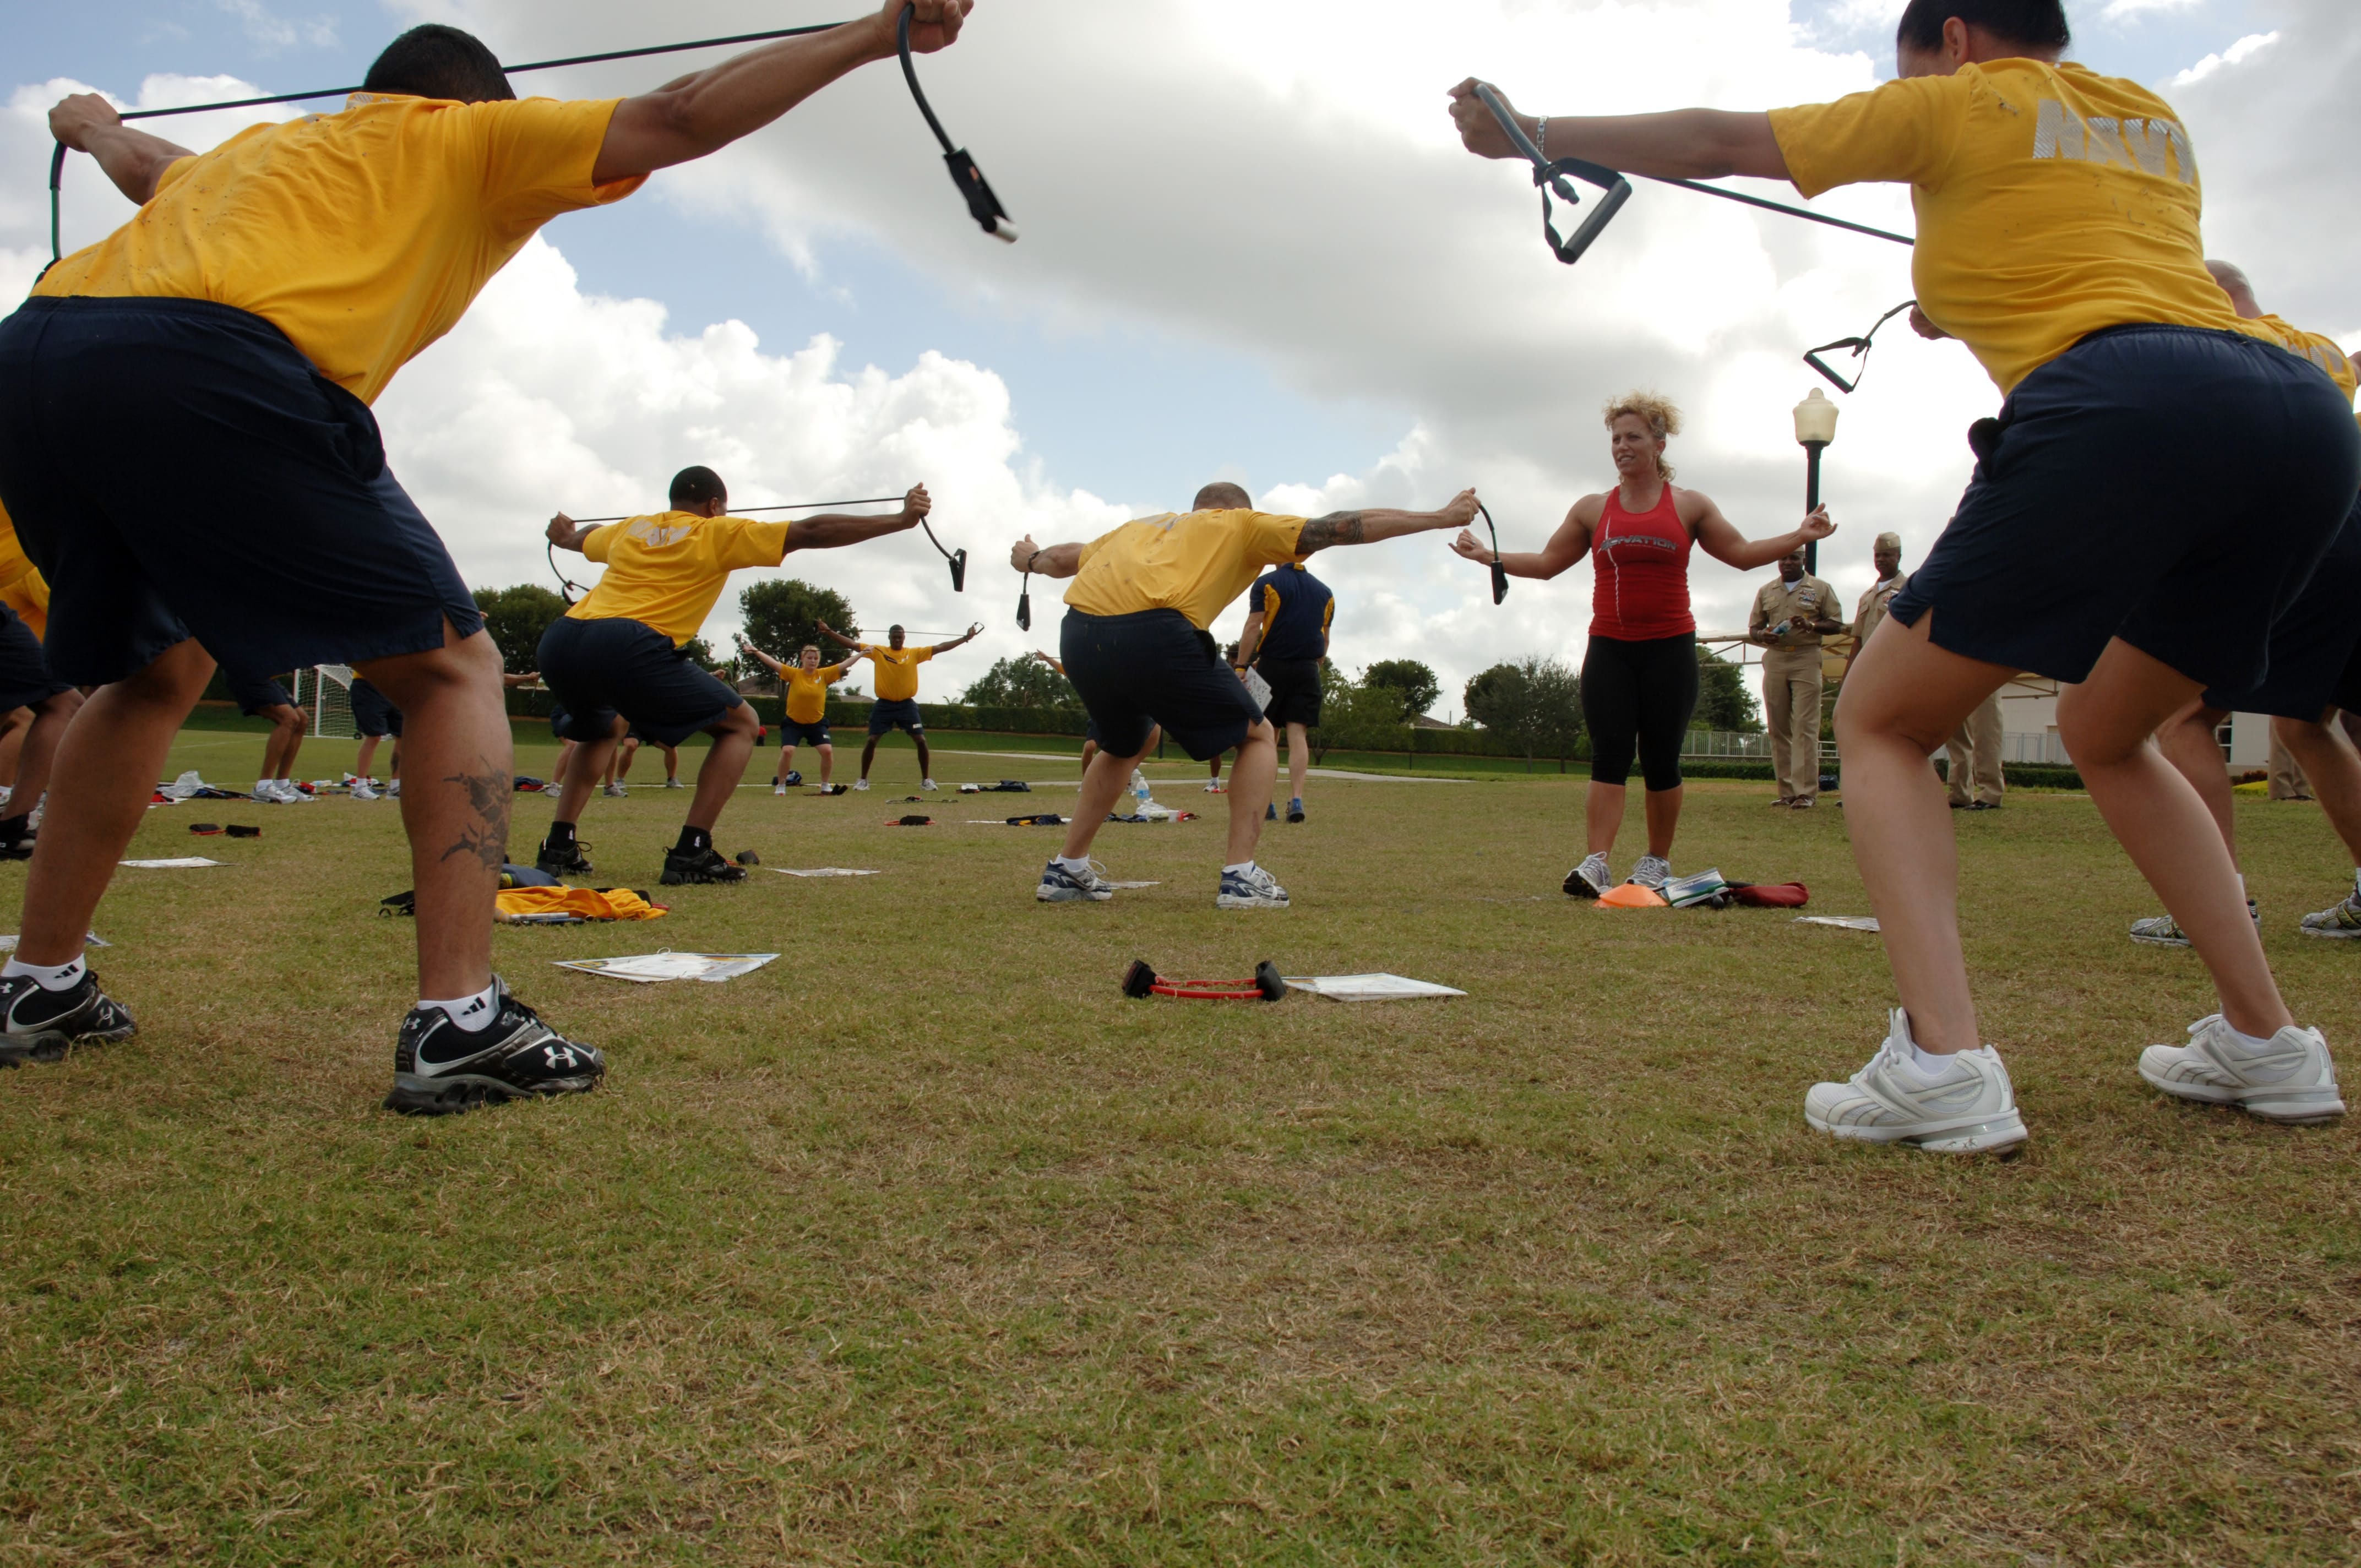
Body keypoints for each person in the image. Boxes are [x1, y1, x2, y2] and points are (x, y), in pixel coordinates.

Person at [0, 3, 973, 1104]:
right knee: (452, 667)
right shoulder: (458, 135)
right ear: (472, 104)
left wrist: (87, 126)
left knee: (154, 670)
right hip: (215, 361)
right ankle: (460, 1019)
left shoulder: (256, 155)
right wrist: (873, 29)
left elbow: (146, 162)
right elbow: (681, 114)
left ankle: (41, 980)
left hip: (38, 356)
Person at [1451, 0, 2358, 1149]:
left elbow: (1720, 143)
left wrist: (1535, 127)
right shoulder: (2148, 118)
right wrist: (1956, 293)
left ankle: (1941, 1060)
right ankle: (2268, 1040)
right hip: (2296, 421)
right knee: (2107, 727)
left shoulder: (1957, 97)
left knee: (1879, 718)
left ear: (1955, 37)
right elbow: (2081, 250)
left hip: (2126, 398)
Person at [1016, 480, 1480, 908]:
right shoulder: (1241, 523)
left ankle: (1067, 870)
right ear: (1240, 508)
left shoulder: (1141, 527)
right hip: (1154, 629)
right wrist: (1441, 517)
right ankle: (1240, 876)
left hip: (1079, 632)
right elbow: (1341, 527)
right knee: (1259, 734)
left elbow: (1065, 559)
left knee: (1123, 743)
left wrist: (1031, 558)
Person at [1451, 395, 1833, 894]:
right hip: (1610, 648)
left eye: (1633, 437)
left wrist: (1799, 535)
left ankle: (1656, 862)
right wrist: (1488, 557)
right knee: (1608, 756)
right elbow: (1547, 564)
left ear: (1659, 442)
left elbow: (1740, 554)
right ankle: (1596, 862)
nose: (1622, 447)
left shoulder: (1690, 505)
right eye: (1615, 439)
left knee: (1660, 759)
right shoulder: (1593, 510)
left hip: (1670, 649)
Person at [537, 471, 932, 884]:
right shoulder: (716, 532)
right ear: (714, 506)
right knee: (741, 725)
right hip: (628, 641)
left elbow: (586, 538)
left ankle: (559, 845)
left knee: (606, 724)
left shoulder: (632, 528)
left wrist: (565, 534)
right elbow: (811, 530)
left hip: (563, 639)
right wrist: (899, 520)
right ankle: (692, 851)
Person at [2130, 260, 2361, 949]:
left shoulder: (2210, 342)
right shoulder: (2313, 345)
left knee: (2183, 716)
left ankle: (2216, 903)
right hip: (2353, 521)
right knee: (2304, 720)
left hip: (2298, 533)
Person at [1854, 530, 2002, 810]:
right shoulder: (1943, 578)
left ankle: (1991, 792)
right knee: (1956, 733)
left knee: (1986, 731)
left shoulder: (1996, 573)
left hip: (1986, 657)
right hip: (1950, 660)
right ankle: (1960, 792)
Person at [817, 619, 982, 792]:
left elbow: (940, 647)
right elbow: (853, 644)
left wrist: (965, 638)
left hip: (907, 705)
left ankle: (926, 780)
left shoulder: (914, 653)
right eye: (894, 637)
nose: (897, 640)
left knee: (921, 740)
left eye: (900, 638)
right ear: (889, 638)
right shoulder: (879, 651)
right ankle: (863, 780)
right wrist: (828, 631)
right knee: (872, 740)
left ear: (904, 638)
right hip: (884, 705)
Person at [1234, 566, 1330, 823]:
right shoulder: (1325, 592)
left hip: (1273, 665)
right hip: (1307, 667)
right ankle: (1296, 798)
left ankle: (1266, 802)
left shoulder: (1267, 583)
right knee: (1298, 734)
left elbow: (1254, 625)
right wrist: (1311, 665)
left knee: (1267, 735)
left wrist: (1242, 666)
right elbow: (1324, 643)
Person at [1749, 547, 1842, 809]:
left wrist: (1811, 625)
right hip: (1776, 657)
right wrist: (1762, 636)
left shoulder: (1821, 588)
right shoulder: (1767, 591)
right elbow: (1754, 627)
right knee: (1778, 727)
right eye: (1783, 558)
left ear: (1804, 560)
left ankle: (1806, 793)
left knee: (1805, 725)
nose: (1788, 562)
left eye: (1794, 558)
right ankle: (1787, 791)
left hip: (1806, 656)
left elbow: (1836, 623)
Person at [738, 637, 863, 792]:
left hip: (817, 724)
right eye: (809, 658)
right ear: (802, 658)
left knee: (827, 751)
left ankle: (825, 784)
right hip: (794, 723)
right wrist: (756, 651)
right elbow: (773, 663)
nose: (813, 661)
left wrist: (862, 653)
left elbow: (845, 664)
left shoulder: (824, 674)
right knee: (787, 751)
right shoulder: (794, 674)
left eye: (816, 658)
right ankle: (782, 785)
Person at [1032, 650, 1155, 774]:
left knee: (1124, 747)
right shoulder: (1083, 672)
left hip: (1120, 713)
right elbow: (1061, 668)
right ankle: (1086, 782)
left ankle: (1129, 775)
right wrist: (1047, 658)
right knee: (1089, 747)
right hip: (1100, 714)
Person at [225, 668, 311, 803]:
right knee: (289, 718)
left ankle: (282, 785)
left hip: (268, 677)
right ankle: (263, 787)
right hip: (248, 674)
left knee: (302, 720)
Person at [349, 676, 401, 800]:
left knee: (403, 736)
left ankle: (396, 786)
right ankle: (360, 786)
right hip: (368, 685)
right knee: (374, 736)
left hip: (393, 687)